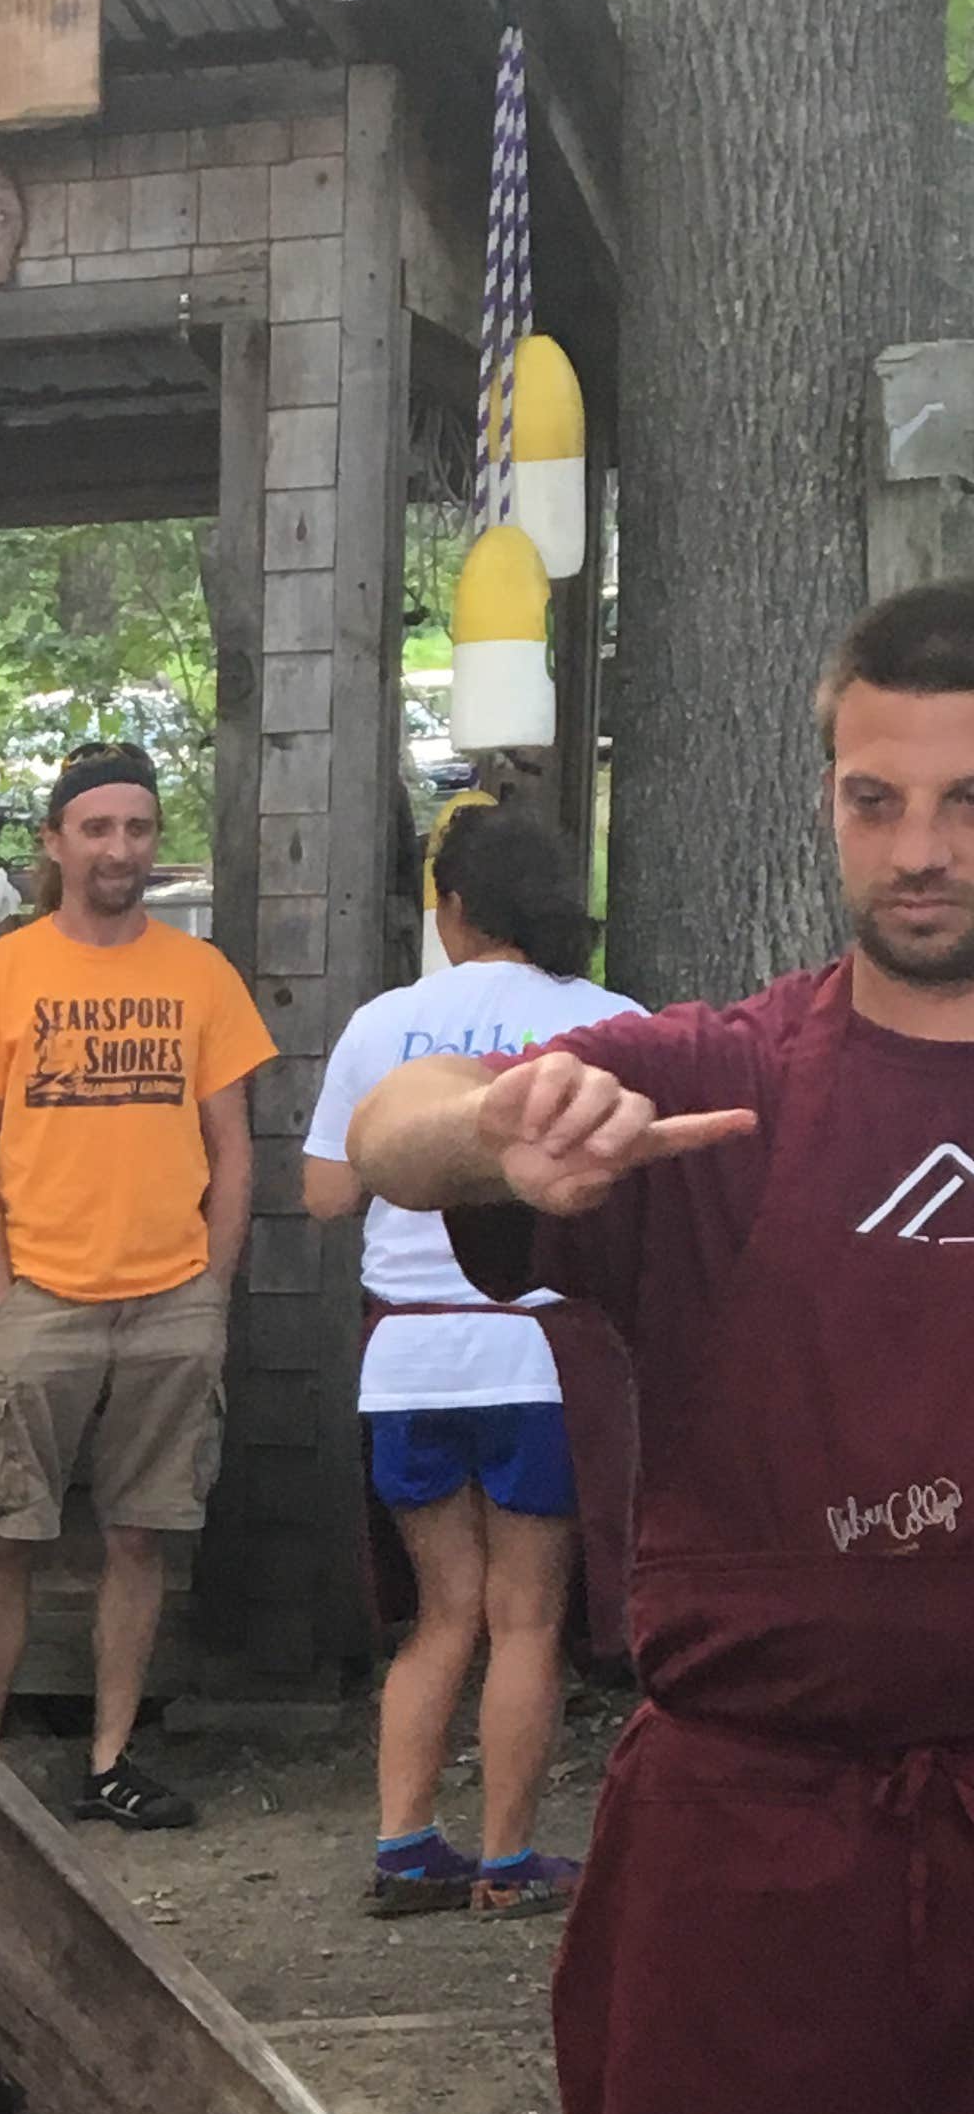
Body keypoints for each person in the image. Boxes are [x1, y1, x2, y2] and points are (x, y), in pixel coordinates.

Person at [350, 577, 974, 2114]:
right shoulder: (719, 1085)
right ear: (825, 791)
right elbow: (399, 1138)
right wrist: (515, 1116)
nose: (919, 847)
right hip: (777, 1835)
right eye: (878, 796)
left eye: (963, 800)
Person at [0, 740, 274, 1830]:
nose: (120, 848)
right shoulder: (1, 973)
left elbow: (235, 1147)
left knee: (142, 1534)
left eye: (137, 828)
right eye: (97, 828)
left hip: (170, 1296)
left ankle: (110, 1758)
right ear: (55, 841)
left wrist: (212, 1290)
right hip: (40, 1292)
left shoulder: (198, 975)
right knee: (8, 1532)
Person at [303, 802, 636, 1918]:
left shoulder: (382, 1022)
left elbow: (325, 1191)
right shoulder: (608, 1024)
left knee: (442, 1613)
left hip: (405, 1358)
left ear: (452, 907)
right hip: (534, 1354)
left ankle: (404, 1846)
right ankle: (505, 1860)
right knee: (527, 1616)